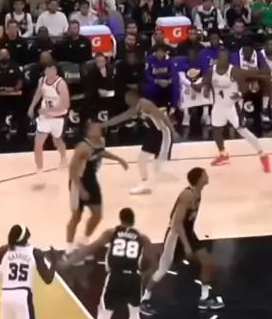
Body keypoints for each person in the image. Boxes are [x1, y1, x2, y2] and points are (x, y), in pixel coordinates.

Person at [65, 207, 155, 319]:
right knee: (134, 313)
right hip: (133, 278)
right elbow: (154, 261)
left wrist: (71, 260)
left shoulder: (112, 233)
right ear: (133, 221)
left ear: (120, 219)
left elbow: (91, 248)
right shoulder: (142, 238)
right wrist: (144, 275)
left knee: (104, 315)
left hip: (115, 276)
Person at [140, 167, 224, 316]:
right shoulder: (187, 195)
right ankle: (144, 299)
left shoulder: (197, 193)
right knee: (162, 269)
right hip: (175, 235)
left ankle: (204, 298)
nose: (207, 176)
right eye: (205, 174)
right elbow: (176, 222)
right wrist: (186, 245)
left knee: (208, 262)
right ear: (199, 178)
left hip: (188, 233)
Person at [66, 121, 128, 254]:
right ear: (88, 132)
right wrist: (81, 189)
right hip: (78, 182)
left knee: (98, 215)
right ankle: (69, 247)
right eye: (95, 128)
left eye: (99, 127)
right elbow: (72, 170)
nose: (99, 129)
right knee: (76, 216)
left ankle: (83, 241)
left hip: (91, 180)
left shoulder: (101, 141)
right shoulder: (82, 147)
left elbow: (101, 152)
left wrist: (119, 159)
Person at [102, 89, 177, 195]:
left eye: (127, 98)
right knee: (141, 160)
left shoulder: (146, 104)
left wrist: (173, 131)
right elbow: (121, 118)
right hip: (154, 133)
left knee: (157, 165)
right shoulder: (135, 109)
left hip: (163, 133)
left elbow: (163, 117)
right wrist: (103, 125)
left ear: (133, 97)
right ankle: (145, 184)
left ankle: (152, 185)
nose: (125, 101)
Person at [209, 49, 271, 171]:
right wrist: (203, 88)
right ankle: (223, 154)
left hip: (232, 106)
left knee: (243, 131)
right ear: (218, 59)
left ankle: (263, 155)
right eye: (222, 58)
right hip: (218, 106)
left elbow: (245, 87)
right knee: (216, 131)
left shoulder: (234, 70)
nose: (224, 60)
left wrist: (239, 94)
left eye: (226, 58)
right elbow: (206, 82)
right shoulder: (211, 70)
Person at [28, 60, 70, 182]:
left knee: (57, 140)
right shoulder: (42, 81)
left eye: (51, 70)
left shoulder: (61, 84)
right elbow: (38, 93)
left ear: (55, 71)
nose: (48, 72)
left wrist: (49, 110)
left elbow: (65, 104)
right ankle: (39, 170)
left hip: (58, 117)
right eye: (47, 70)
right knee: (38, 143)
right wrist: (32, 106)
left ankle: (64, 157)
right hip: (45, 118)